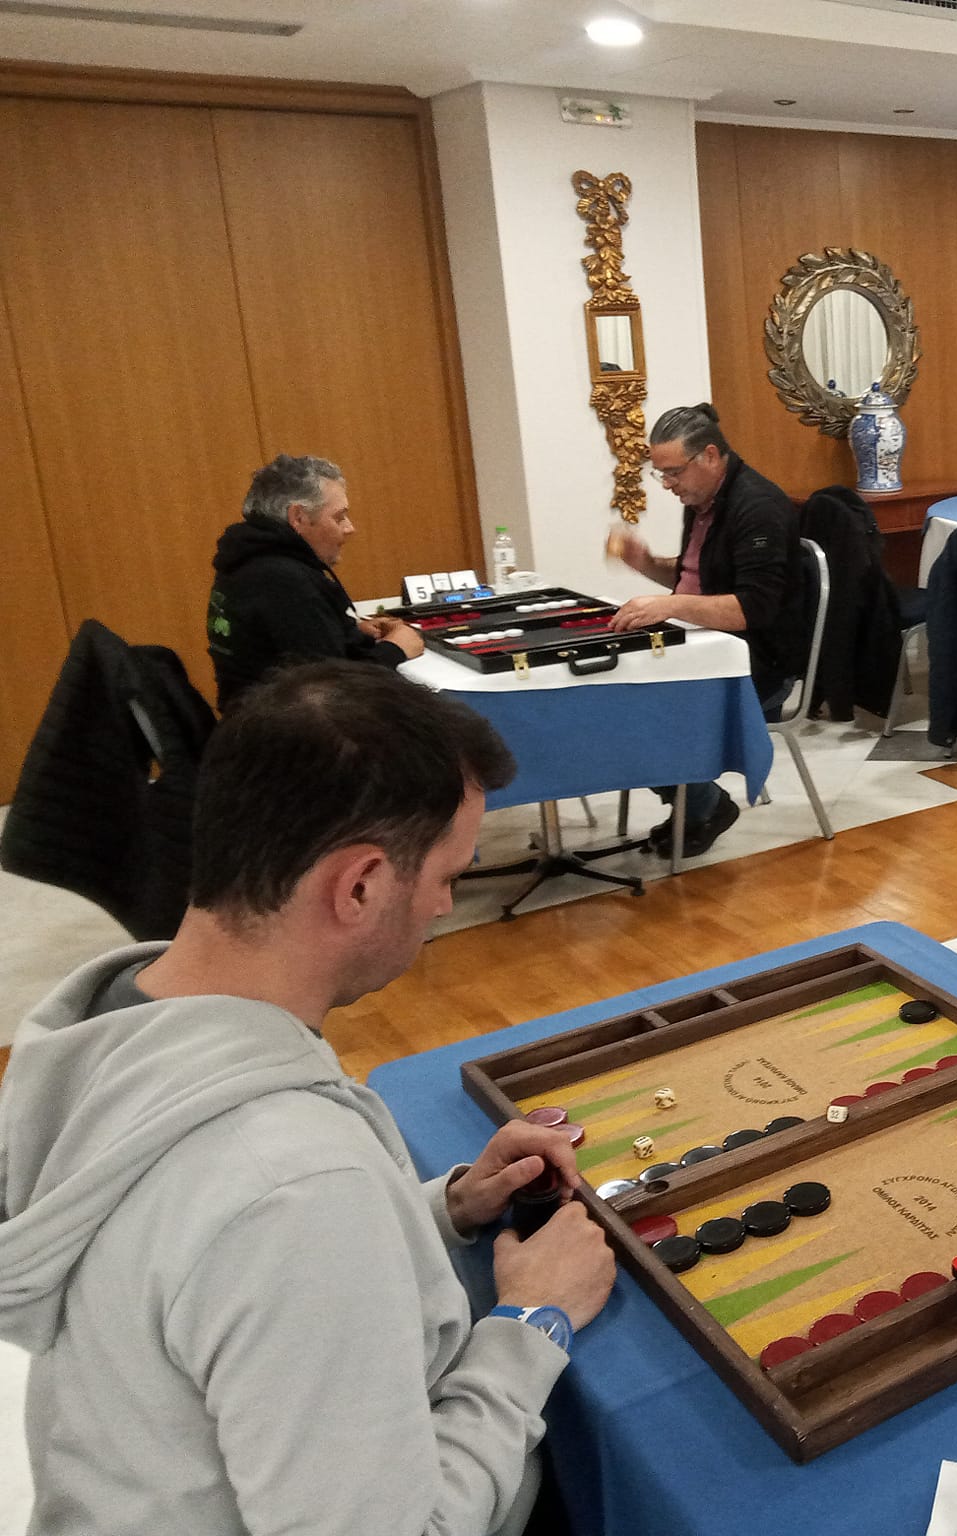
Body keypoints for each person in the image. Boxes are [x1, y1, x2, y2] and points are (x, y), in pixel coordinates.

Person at [0, 662, 617, 1536]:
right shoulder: (296, 1190)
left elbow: (208, 1270)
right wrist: (530, 1322)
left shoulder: (112, 1022)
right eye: (448, 874)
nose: (444, 905)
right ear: (359, 885)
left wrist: (442, 1211)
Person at [606, 402, 805, 858]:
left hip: (756, 661)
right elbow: (699, 577)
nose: (667, 484)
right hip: (702, 646)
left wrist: (668, 605)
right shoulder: (701, 500)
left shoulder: (759, 507)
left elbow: (752, 609)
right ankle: (697, 801)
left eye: (673, 472)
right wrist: (647, 564)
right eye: (661, 474)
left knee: (640, 712)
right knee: (608, 694)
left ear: (710, 456)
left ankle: (703, 804)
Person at [207, 453, 425, 709]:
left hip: (254, 714)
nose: (349, 528)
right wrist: (395, 649)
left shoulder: (245, 560)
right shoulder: (283, 580)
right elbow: (331, 689)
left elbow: (286, 645)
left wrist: (347, 630)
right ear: (298, 517)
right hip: (282, 724)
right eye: (339, 517)